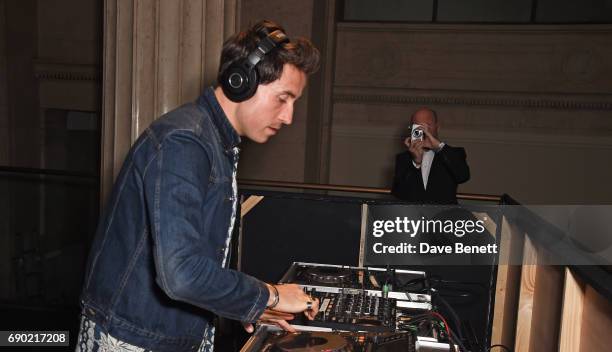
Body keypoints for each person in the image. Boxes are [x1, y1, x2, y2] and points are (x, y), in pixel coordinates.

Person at [76, 20, 320, 352]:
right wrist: (270, 294)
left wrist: (250, 306)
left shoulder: (214, 141)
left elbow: (196, 263)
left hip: (167, 334)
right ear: (241, 83)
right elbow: (182, 274)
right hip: (137, 338)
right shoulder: (184, 142)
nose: (289, 116)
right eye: (283, 98)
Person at [391, 108, 470, 204]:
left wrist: (439, 147)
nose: (423, 130)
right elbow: (399, 193)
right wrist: (416, 163)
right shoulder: (404, 158)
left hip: (444, 216)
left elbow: (463, 176)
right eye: (418, 126)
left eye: (427, 125)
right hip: (413, 216)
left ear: (437, 127)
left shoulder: (452, 153)